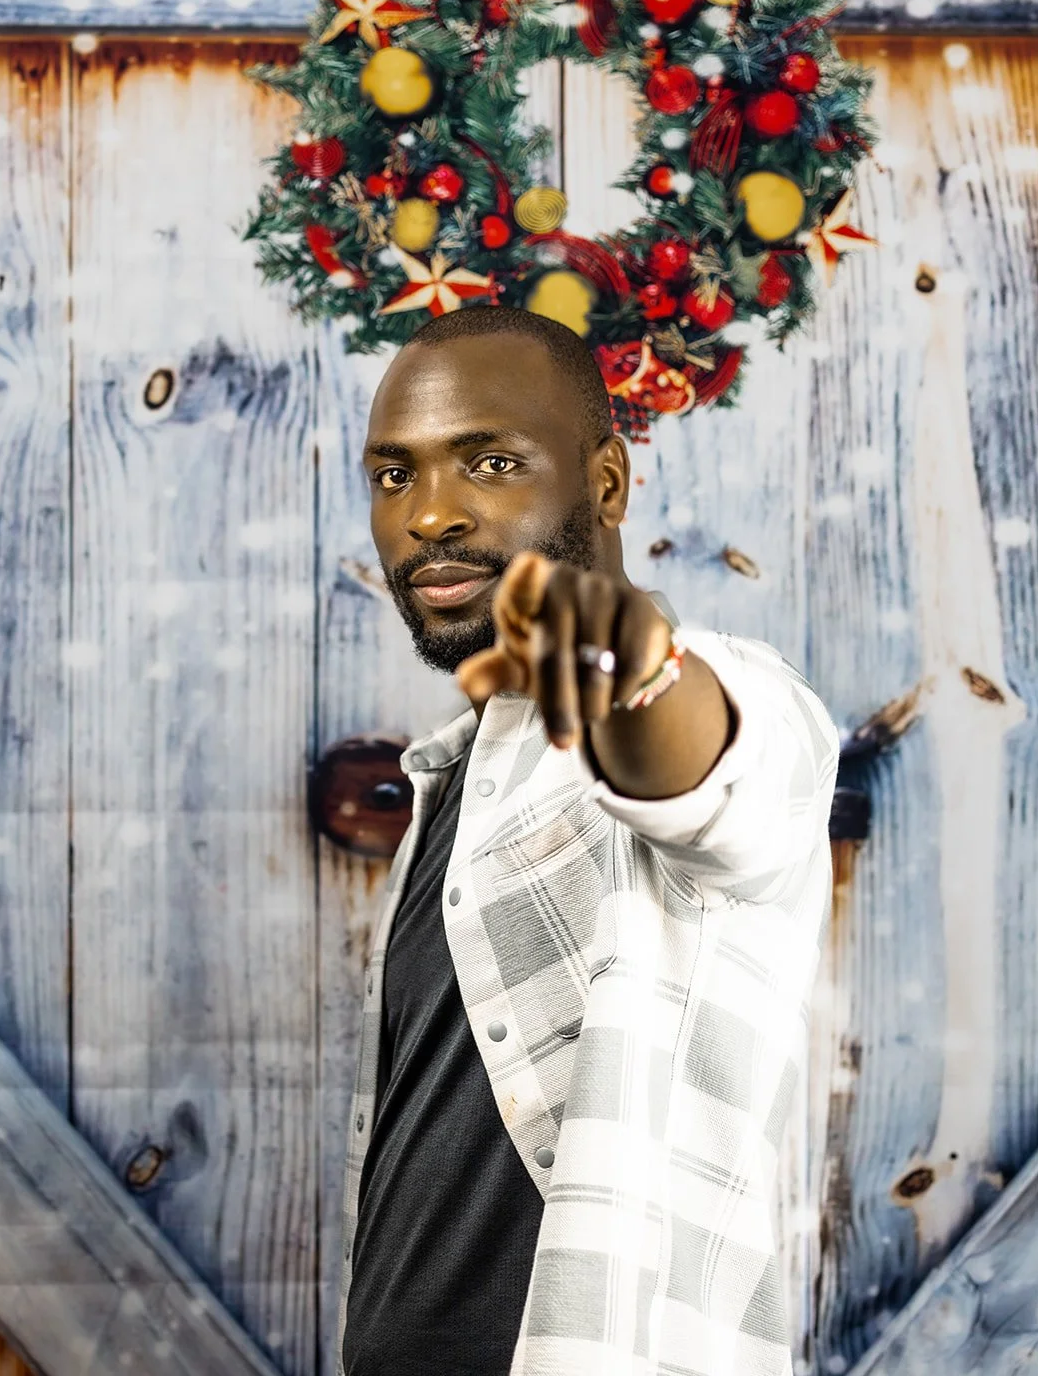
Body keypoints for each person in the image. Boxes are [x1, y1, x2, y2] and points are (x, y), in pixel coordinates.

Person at [336, 305, 838, 1376]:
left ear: (605, 483)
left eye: (490, 463)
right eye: (394, 475)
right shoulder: (449, 782)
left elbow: (714, 769)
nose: (429, 514)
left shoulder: (746, 702)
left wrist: (638, 674)